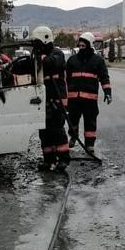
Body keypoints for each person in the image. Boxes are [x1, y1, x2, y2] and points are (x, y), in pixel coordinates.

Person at [65, 32, 112, 155]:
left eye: (83, 46)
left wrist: (108, 92)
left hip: (90, 99)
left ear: (90, 45)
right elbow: (66, 79)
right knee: (72, 120)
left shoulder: (97, 61)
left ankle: (89, 144)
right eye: (79, 46)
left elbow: (104, 77)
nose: (81, 48)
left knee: (90, 121)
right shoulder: (72, 60)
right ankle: (73, 137)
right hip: (74, 98)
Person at [33, 26, 70, 172]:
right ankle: (49, 160)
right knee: (44, 132)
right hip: (43, 101)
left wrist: (42, 57)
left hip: (57, 100)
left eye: (37, 42)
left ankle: (63, 159)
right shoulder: (38, 56)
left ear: (45, 39)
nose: (36, 46)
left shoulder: (57, 54)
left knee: (57, 130)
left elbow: (52, 63)